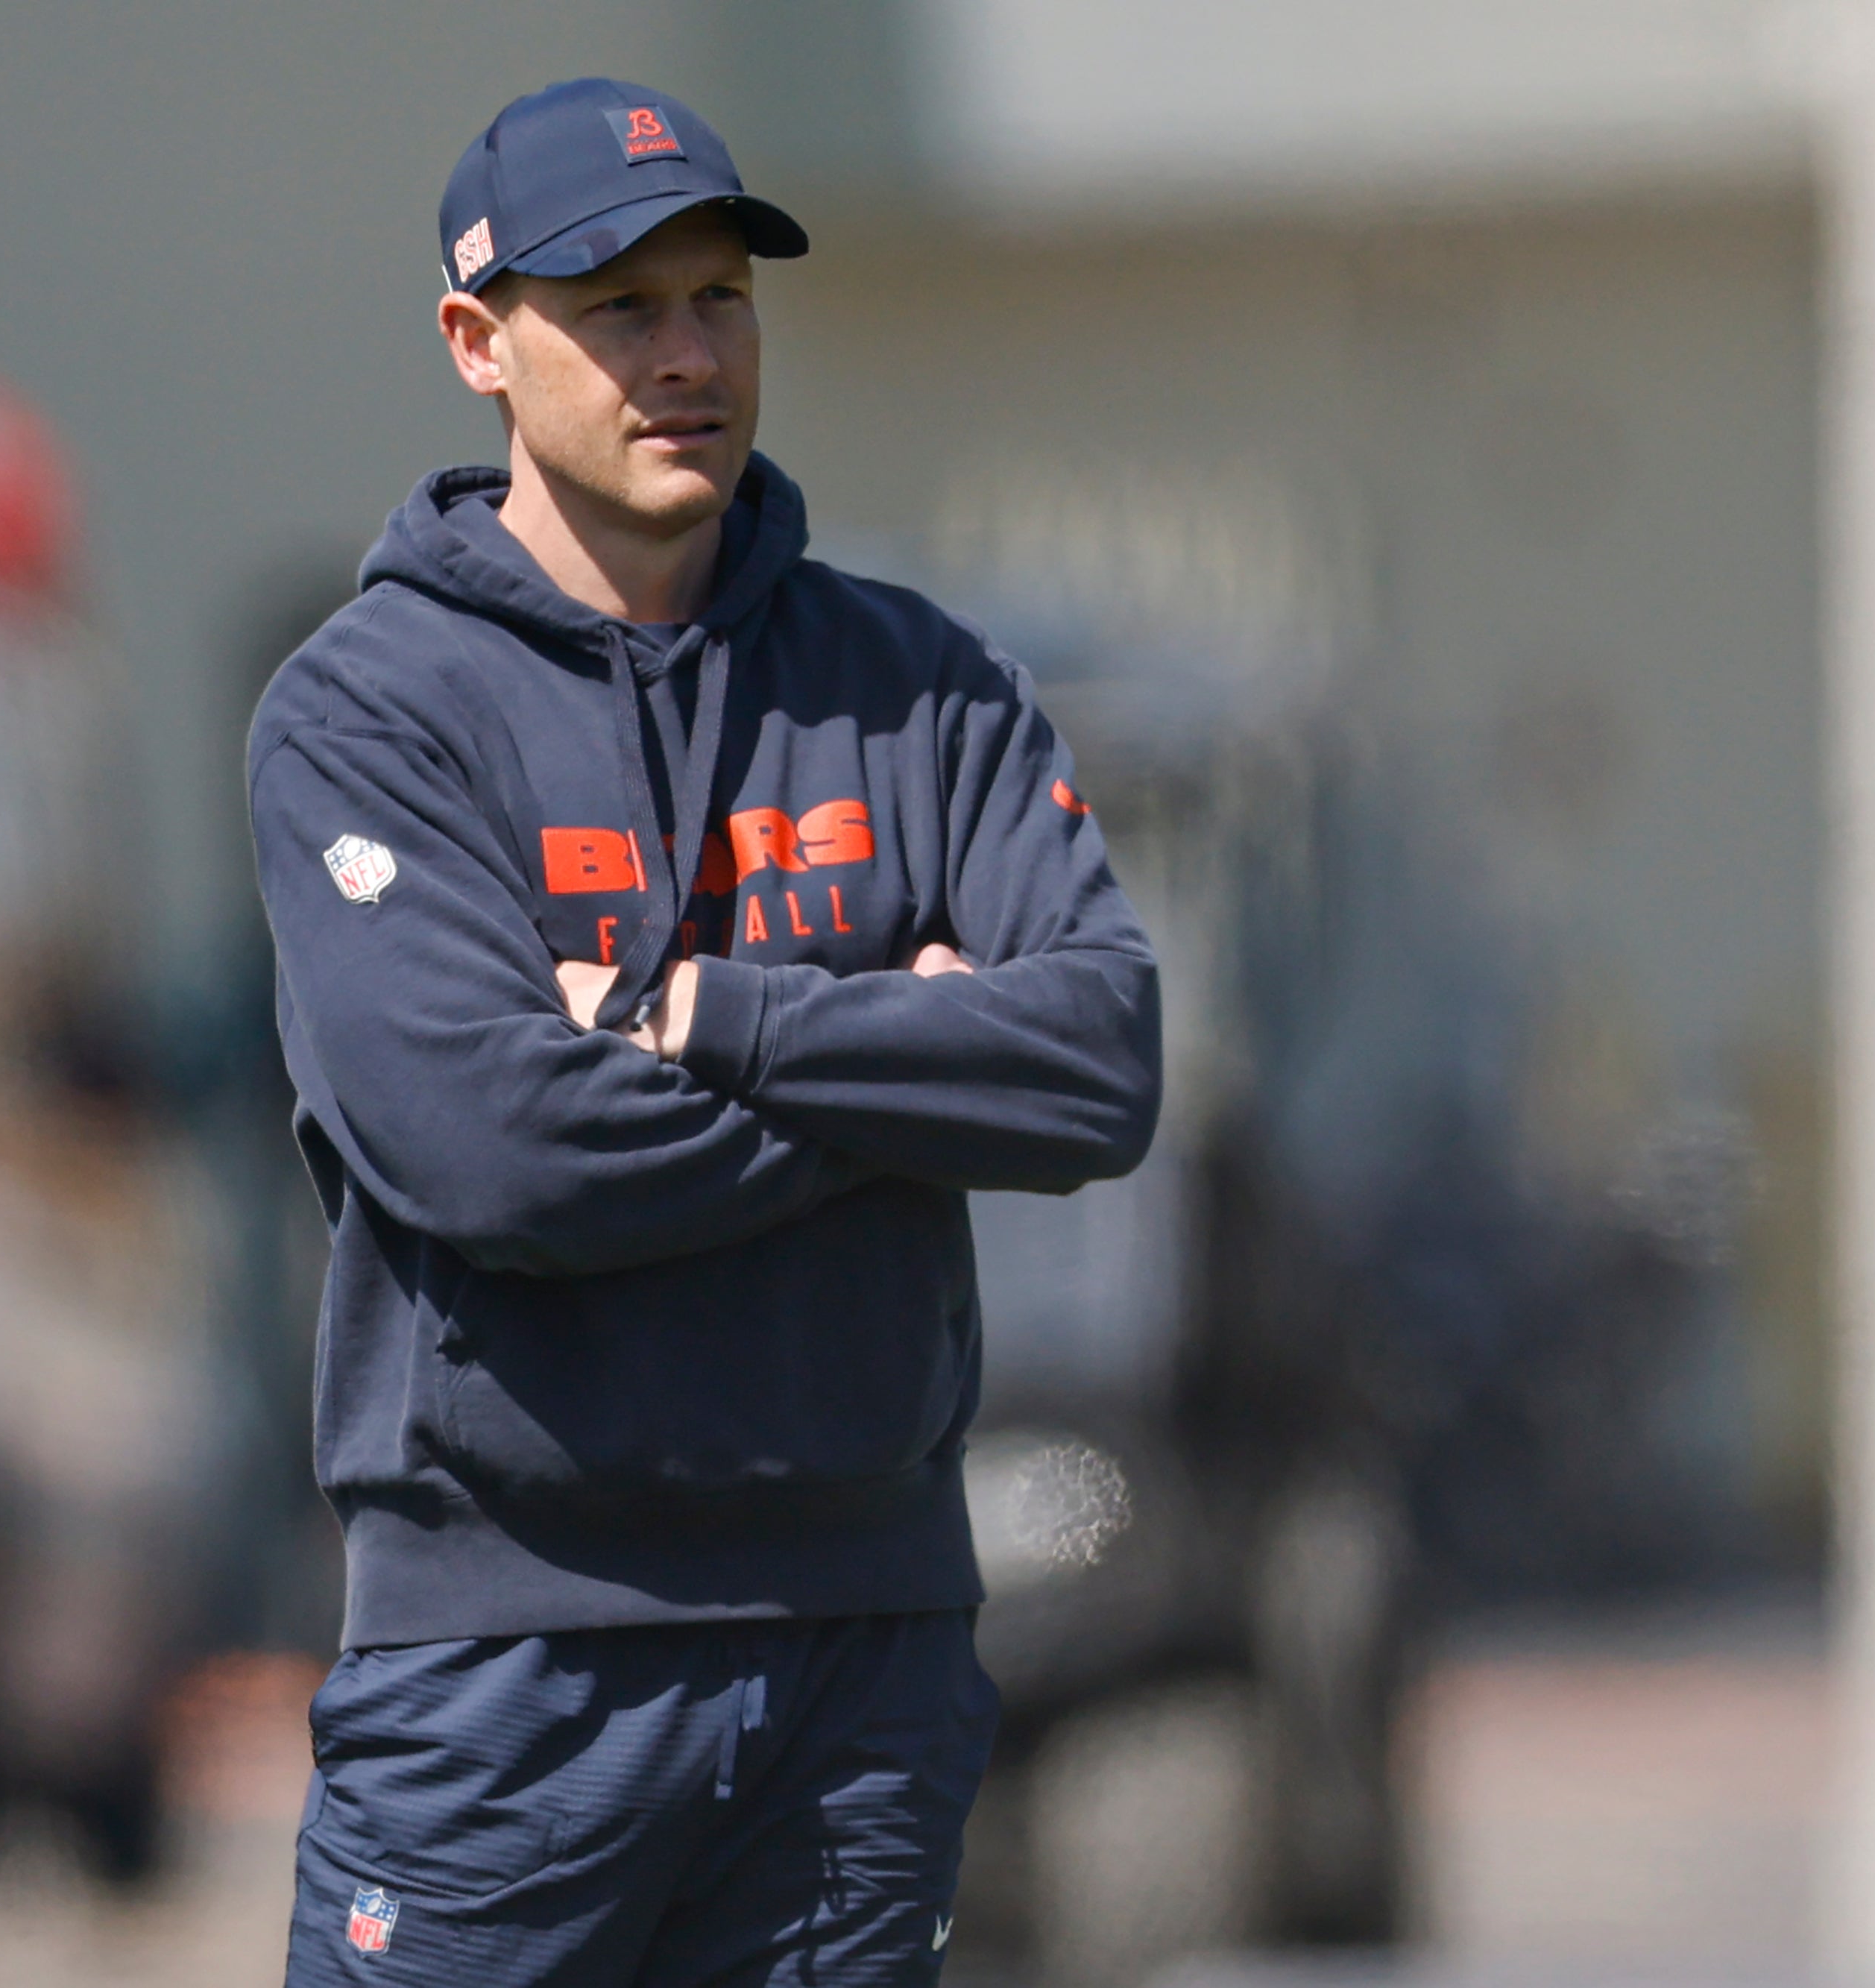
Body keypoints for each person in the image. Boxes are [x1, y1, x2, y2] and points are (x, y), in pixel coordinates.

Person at [249, 77, 1161, 1987]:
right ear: (477, 346)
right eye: (620, 309)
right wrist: (898, 1077)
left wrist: (704, 1018)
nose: (687, 356)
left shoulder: (918, 684)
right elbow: (494, 1147)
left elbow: (1093, 1060)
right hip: (511, 1669)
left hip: (865, 1646)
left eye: (719, 299)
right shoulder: (369, 715)